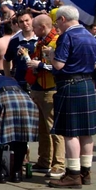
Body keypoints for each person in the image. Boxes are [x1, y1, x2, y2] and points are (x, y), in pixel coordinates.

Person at [48, 6, 96, 188]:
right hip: (87, 83)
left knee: (70, 133)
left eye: (57, 22)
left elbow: (59, 64)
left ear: (63, 19)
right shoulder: (91, 37)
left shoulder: (67, 37)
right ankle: (86, 173)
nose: (57, 26)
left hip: (70, 85)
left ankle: (73, 175)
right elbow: (95, 65)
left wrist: (50, 55)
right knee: (87, 132)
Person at [27, 14, 65, 179]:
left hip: (51, 88)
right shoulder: (40, 43)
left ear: (42, 27)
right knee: (42, 128)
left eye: (34, 27)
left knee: (54, 128)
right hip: (38, 88)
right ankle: (44, 160)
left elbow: (60, 66)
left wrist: (41, 65)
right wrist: (35, 67)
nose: (33, 31)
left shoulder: (57, 41)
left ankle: (59, 163)